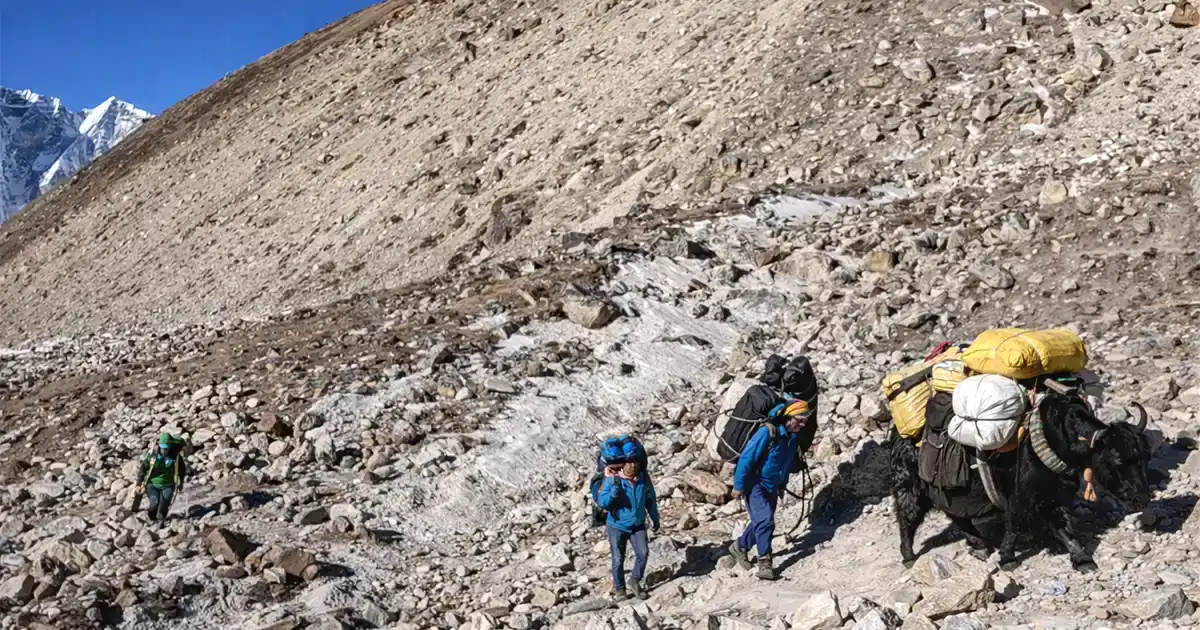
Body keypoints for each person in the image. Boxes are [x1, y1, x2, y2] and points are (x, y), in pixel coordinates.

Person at [729, 400, 812, 580]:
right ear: (788, 417)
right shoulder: (768, 432)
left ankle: (740, 546)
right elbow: (747, 458)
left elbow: (785, 463)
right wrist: (738, 486)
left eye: (804, 421)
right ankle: (765, 562)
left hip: (772, 485)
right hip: (755, 483)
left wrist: (782, 484)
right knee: (765, 520)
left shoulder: (792, 437)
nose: (802, 425)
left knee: (761, 521)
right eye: (799, 420)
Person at [596, 442, 661, 601]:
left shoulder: (643, 479)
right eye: (629, 462)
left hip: (638, 525)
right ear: (622, 464)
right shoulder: (613, 479)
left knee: (643, 553)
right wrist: (614, 492)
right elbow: (602, 502)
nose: (633, 465)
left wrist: (655, 518)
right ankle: (620, 589)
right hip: (616, 525)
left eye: (635, 462)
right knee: (618, 559)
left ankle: (635, 580)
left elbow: (650, 500)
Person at [136, 433, 188, 523]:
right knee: (154, 502)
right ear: (159, 447)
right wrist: (138, 483)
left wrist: (181, 483)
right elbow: (143, 468)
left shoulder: (175, 456)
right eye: (163, 448)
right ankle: (152, 518)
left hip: (168, 484)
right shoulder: (153, 455)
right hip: (152, 484)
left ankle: (161, 520)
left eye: (166, 449)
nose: (164, 451)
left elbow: (182, 470)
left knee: (165, 503)